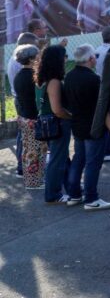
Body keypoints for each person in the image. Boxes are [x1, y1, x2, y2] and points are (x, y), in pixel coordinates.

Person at [66, 44, 110, 211]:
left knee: (78, 159)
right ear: (90, 59)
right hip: (94, 127)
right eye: (95, 56)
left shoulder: (69, 76)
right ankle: (91, 198)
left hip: (77, 124)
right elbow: (102, 107)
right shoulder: (93, 79)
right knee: (92, 163)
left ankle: (74, 194)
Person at [38, 45, 74, 203]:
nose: (66, 59)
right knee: (57, 160)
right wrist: (72, 117)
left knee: (62, 158)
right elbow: (57, 109)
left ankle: (71, 187)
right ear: (58, 60)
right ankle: (53, 194)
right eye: (64, 56)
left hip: (49, 123)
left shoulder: (42, 79)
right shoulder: (54, 81)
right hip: (57, 123)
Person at [13, 44, 45, 189]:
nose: (39, 58)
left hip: (24, 116)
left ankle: (32, 179)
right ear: (32, 59)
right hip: (33, 118)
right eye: (37, 55)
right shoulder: (32, 76)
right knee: (34, 151)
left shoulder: (19, 75)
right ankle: (33, 182)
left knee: (28, 150)